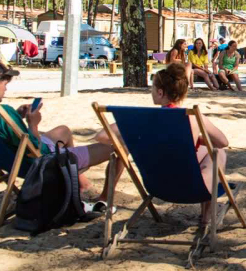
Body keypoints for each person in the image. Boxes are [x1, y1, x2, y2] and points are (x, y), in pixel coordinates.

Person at [97, 63, 230, 225]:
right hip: (194, 189)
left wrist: (135, 138)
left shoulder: (139, 119)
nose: (151, 91)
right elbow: (223, 142)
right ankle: (206, 217)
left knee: (209, 151)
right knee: (217, 152)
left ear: (160, 92)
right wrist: (198, 139)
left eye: (152, 88)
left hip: (157, 187)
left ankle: (205, 215)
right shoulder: (193, 117)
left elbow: (102, 136)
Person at [0, 57, 114, 198]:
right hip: (41, 162)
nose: (6, 88)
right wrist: (33, 124)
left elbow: (1, 127)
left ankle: (81, 184)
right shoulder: (3, 112)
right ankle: (104, 198)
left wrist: (16, 117)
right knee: (118, 147)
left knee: (63, 130)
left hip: (4, 159)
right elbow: (34, 149)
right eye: (5, 84)